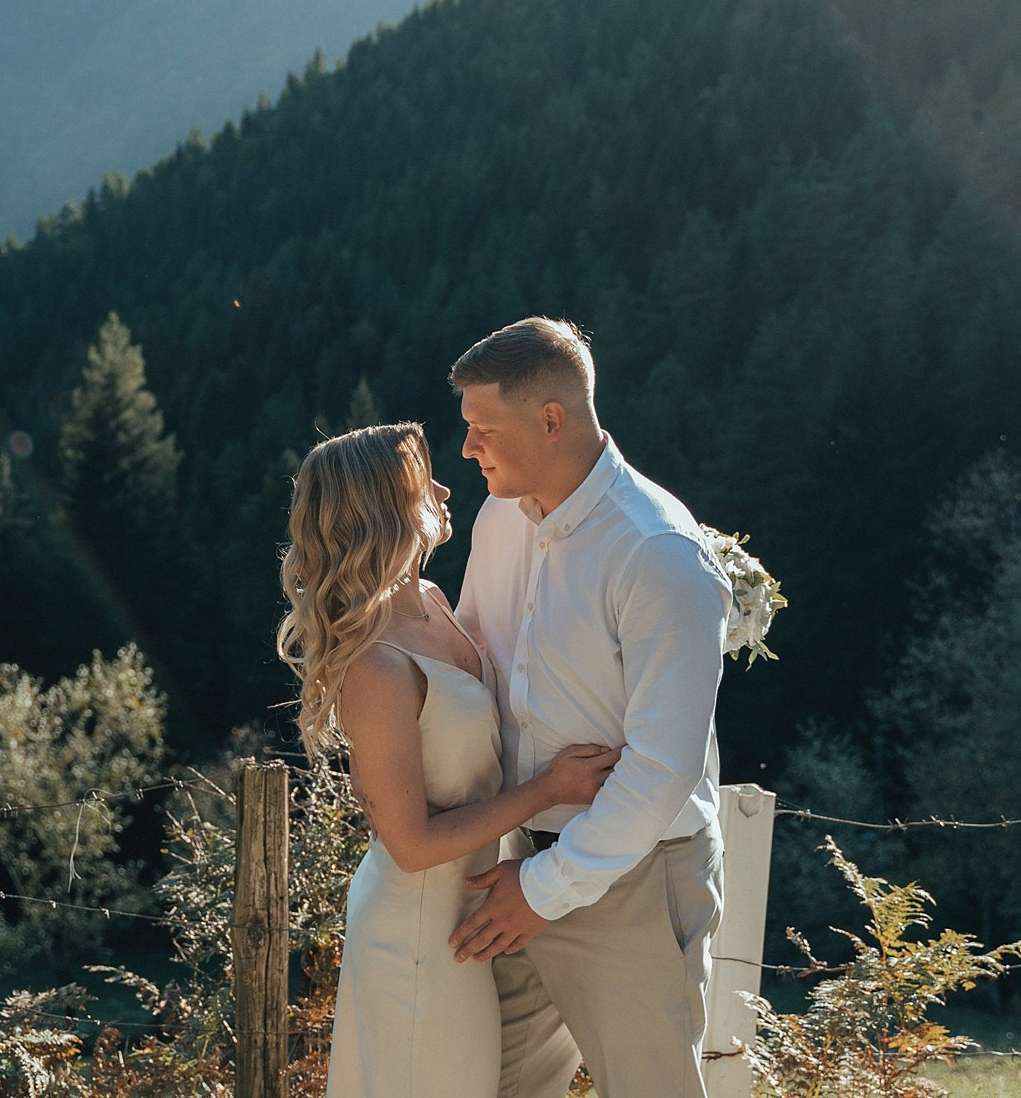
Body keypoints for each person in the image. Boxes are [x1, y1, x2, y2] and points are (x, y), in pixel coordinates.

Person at [279, 422, 624, 1098]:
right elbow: (408, 844)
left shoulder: (435, 601)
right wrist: (549, 788)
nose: (443, 488)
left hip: (462, 924)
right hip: (414, 936)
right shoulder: (376, 661)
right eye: (421, 481)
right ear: (386, 509)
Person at [447, 317, 731, 1098]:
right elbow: (471, 663)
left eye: (483, 428)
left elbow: (659, 772)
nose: (468, 447)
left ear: (550, 420)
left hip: (637, 876)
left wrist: (539, 890)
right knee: (480, 1084)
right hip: (521, 862)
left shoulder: (657, 551)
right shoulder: (497, 517)